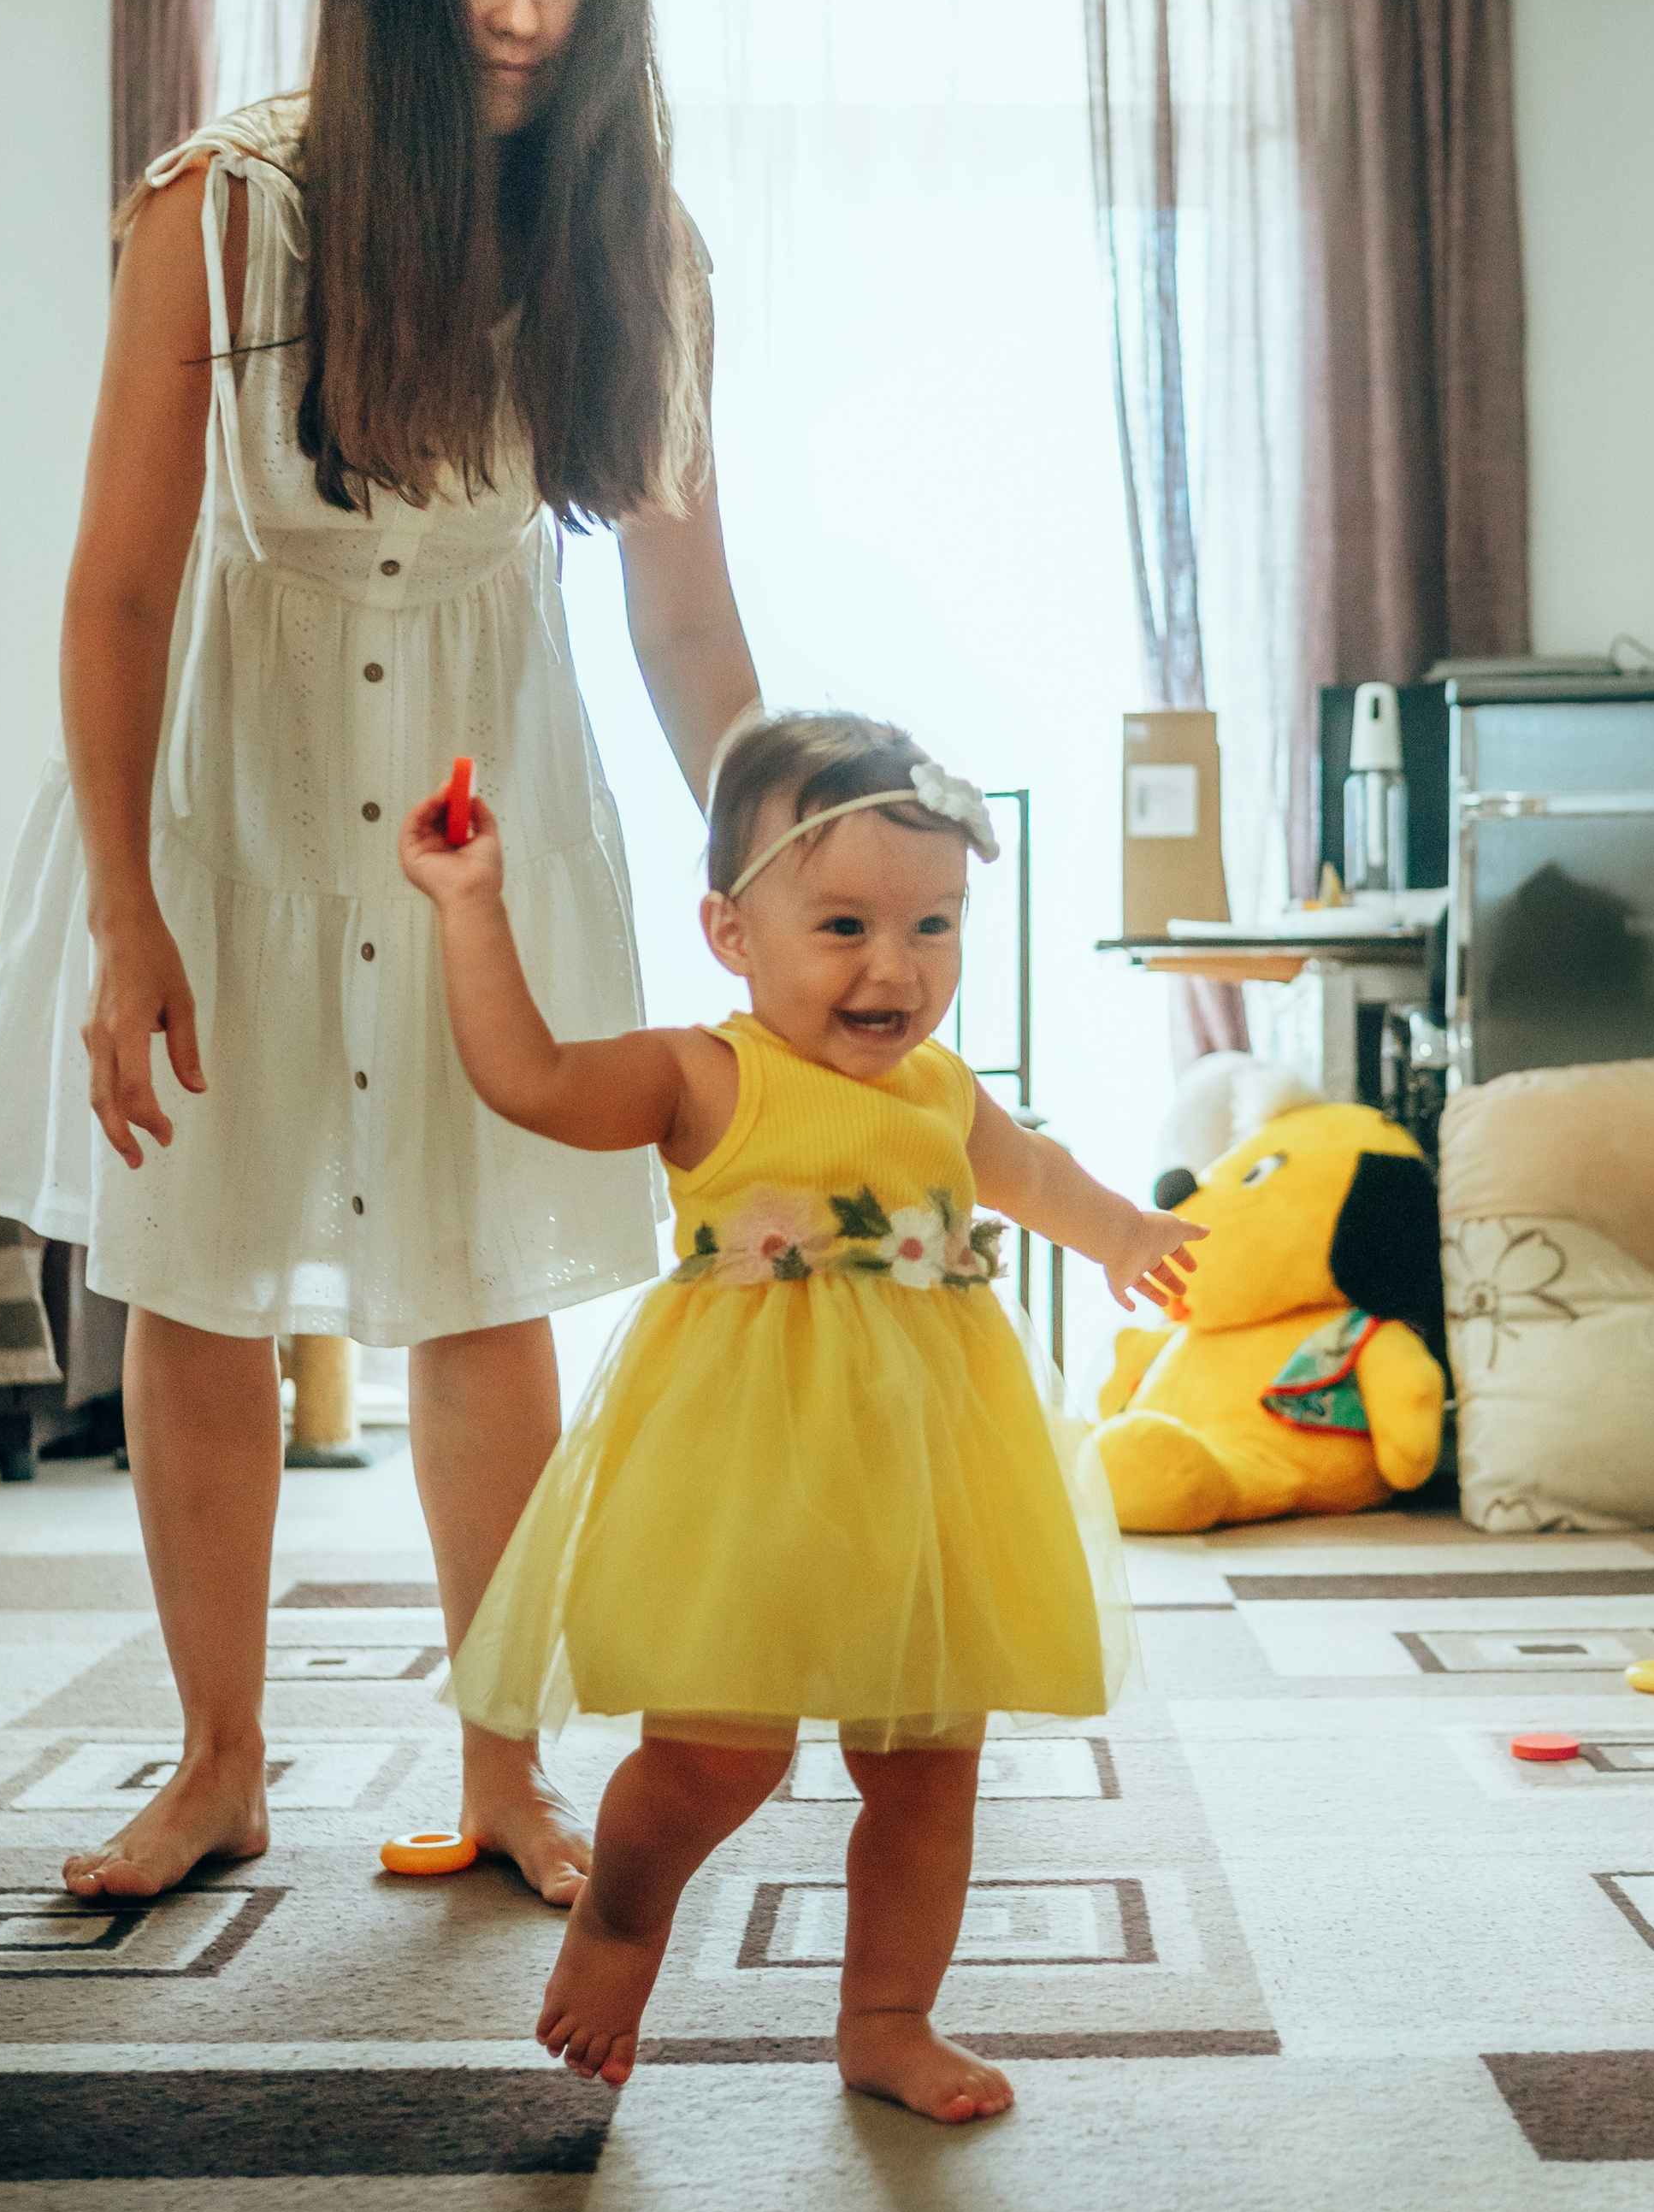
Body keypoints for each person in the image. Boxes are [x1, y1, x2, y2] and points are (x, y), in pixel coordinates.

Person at [0, 0, 759, 1907]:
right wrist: (129, 912)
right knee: (202, 1286)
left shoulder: (631, 232)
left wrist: (772, 850)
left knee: (486, 1291)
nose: (520, 12)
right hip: (226, 797)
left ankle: (505, 1769)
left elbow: (682, 614)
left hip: (484, 817)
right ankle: (218, 1762)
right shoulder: (220, 211)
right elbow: (120, 588)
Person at [398, 708, 1201, 2122]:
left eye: (933, 926)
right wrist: (473, 911)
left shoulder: (946, 1094)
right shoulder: (704, 1076)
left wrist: (1125, 1233)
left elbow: (1042, 1176)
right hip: (745, 1475)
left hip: (923, 1479)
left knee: (930, 1768)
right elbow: (526, 1078)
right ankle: (624, 1923)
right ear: (731, 932)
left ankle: (886, 2019)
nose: (894, 967)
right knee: (719, 1753)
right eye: (842, 925)